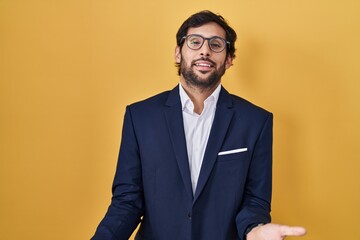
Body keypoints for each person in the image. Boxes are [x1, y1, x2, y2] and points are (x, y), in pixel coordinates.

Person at [92, 10, 307, 240]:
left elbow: (255, 200)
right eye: (195, 42)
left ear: (229, 59)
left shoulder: (256, 122)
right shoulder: (140, 117)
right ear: (178, 53)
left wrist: (254, 230)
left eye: (216, 45)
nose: (205, 50)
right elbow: (127, 202)